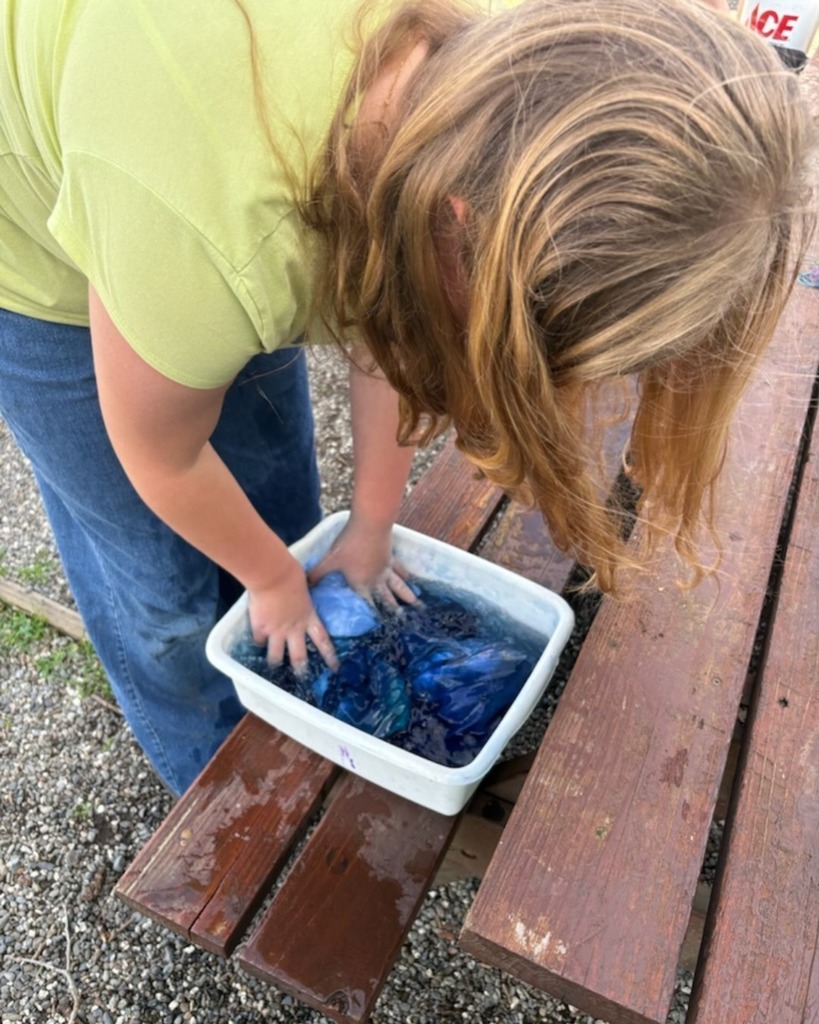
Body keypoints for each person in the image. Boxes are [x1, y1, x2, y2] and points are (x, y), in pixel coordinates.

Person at [0, 0, 811, 795]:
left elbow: (396, 326)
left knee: (271, 488)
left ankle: (287, 661)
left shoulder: (510, 109)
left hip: (207, 216)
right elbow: (161, 455)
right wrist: (276, 583)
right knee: (162, 589)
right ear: (461, 232)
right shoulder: (221, 232)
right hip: (45, 246)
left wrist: (372, 522)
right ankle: (215, 784)